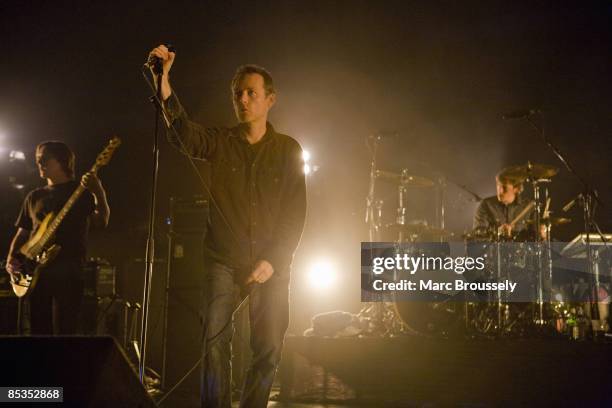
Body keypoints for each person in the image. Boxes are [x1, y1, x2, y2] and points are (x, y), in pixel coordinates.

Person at [148, 45, 307, 407]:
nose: (243, 99)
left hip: (271, 262)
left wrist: (274, 259)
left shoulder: (288, 151)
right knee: (214, 343)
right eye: (238, 93)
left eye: (251, 93)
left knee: (268, 347)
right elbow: (184, 134)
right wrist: (164, 81)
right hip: (223, 258)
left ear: (270, 99)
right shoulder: (220, 142)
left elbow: (296, 212)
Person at [5, 141, 110, 334]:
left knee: (66, 331)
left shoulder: (81, 193)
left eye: (45, 159)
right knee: (39, 331)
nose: (39, 163)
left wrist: (98, 191)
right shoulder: (34, 196)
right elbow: (23, 232)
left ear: (62, 161)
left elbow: (101, 221)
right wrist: (12, 258)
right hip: (36, 273)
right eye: (37, 160)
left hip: (69, 271)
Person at [473, 169, 535, 239]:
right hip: (495, 249)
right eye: (498, 186)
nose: (500, 191)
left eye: (504, 187)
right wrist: (497, 232)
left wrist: (542, 235)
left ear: (517, 188)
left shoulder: (528, 206)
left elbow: (534, 238)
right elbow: (477, 232)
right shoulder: (486, 205)